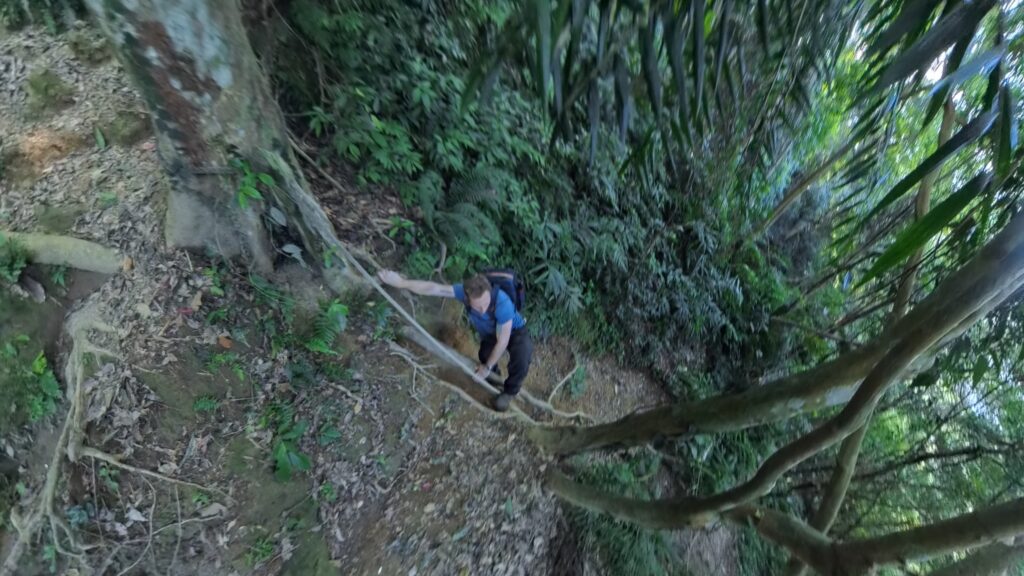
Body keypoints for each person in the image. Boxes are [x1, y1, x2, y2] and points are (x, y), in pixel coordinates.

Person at [376, 270, 533, 412]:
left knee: (522, 354)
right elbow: (434, 288)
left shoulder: (502, 302)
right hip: (491, 333)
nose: (482, 310)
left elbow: (503, 341)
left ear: (489, 293)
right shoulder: (463, 293)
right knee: (485, 354)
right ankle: (493, 379)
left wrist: (486, 367)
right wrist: (400, 282)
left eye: (485, 304)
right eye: (477, 307)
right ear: (467, 298)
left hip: (514, 330)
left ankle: (510, 392)